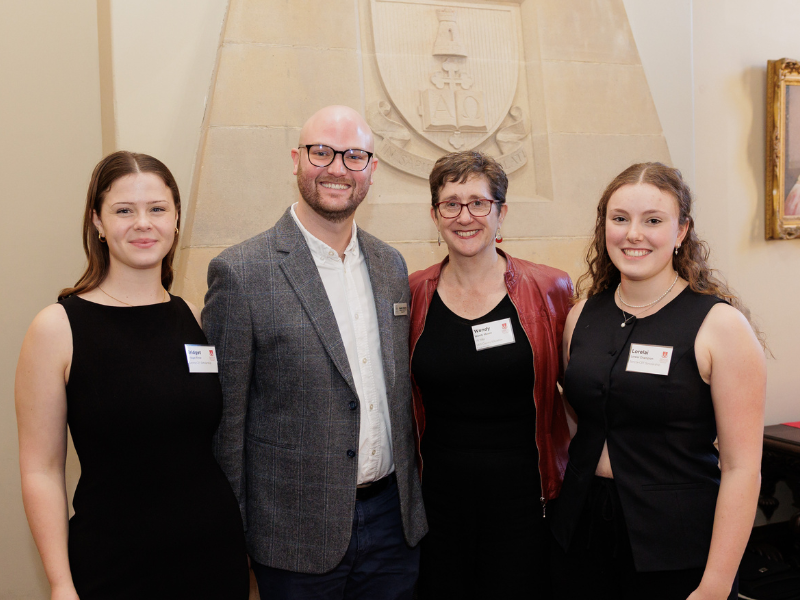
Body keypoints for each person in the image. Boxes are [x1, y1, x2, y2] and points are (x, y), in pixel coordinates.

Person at [203, 105, 427, 600]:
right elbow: (225, 424)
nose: (337, 168)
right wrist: (230, 536)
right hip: (293, 535)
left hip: (393, 525)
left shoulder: (391, 265)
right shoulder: (241, 274)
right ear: (296, 159)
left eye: (354, 156)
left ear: (371, 169)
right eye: (321, 152)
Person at [15, 151, 249, 600]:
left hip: (213, 559)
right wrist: (61, 584)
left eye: (157, 209)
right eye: (124, 210)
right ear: (98, 222)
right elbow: (41, 470)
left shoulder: (195, 317)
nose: (143, 223)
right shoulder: (57, 328)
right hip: (112, 565)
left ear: (176, 219)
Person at [550, 162, 766, 600]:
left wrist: (717, 584)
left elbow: (743, 469)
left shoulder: (720, 325)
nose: (634, 234)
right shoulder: (580, 316)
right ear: (603, 225)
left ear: (681, 231)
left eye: (653, 221)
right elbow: (579, 417)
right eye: (620, 219)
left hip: (679, 549)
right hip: (581, 533)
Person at [407, 150, 573, 599]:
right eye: (451, 203)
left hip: (527, 503)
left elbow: (578, 394)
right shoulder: (411, 293)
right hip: (438, 505)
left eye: (479, 202)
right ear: (435, 214)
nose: (466, 216)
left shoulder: (551, 289)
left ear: (501, 212)